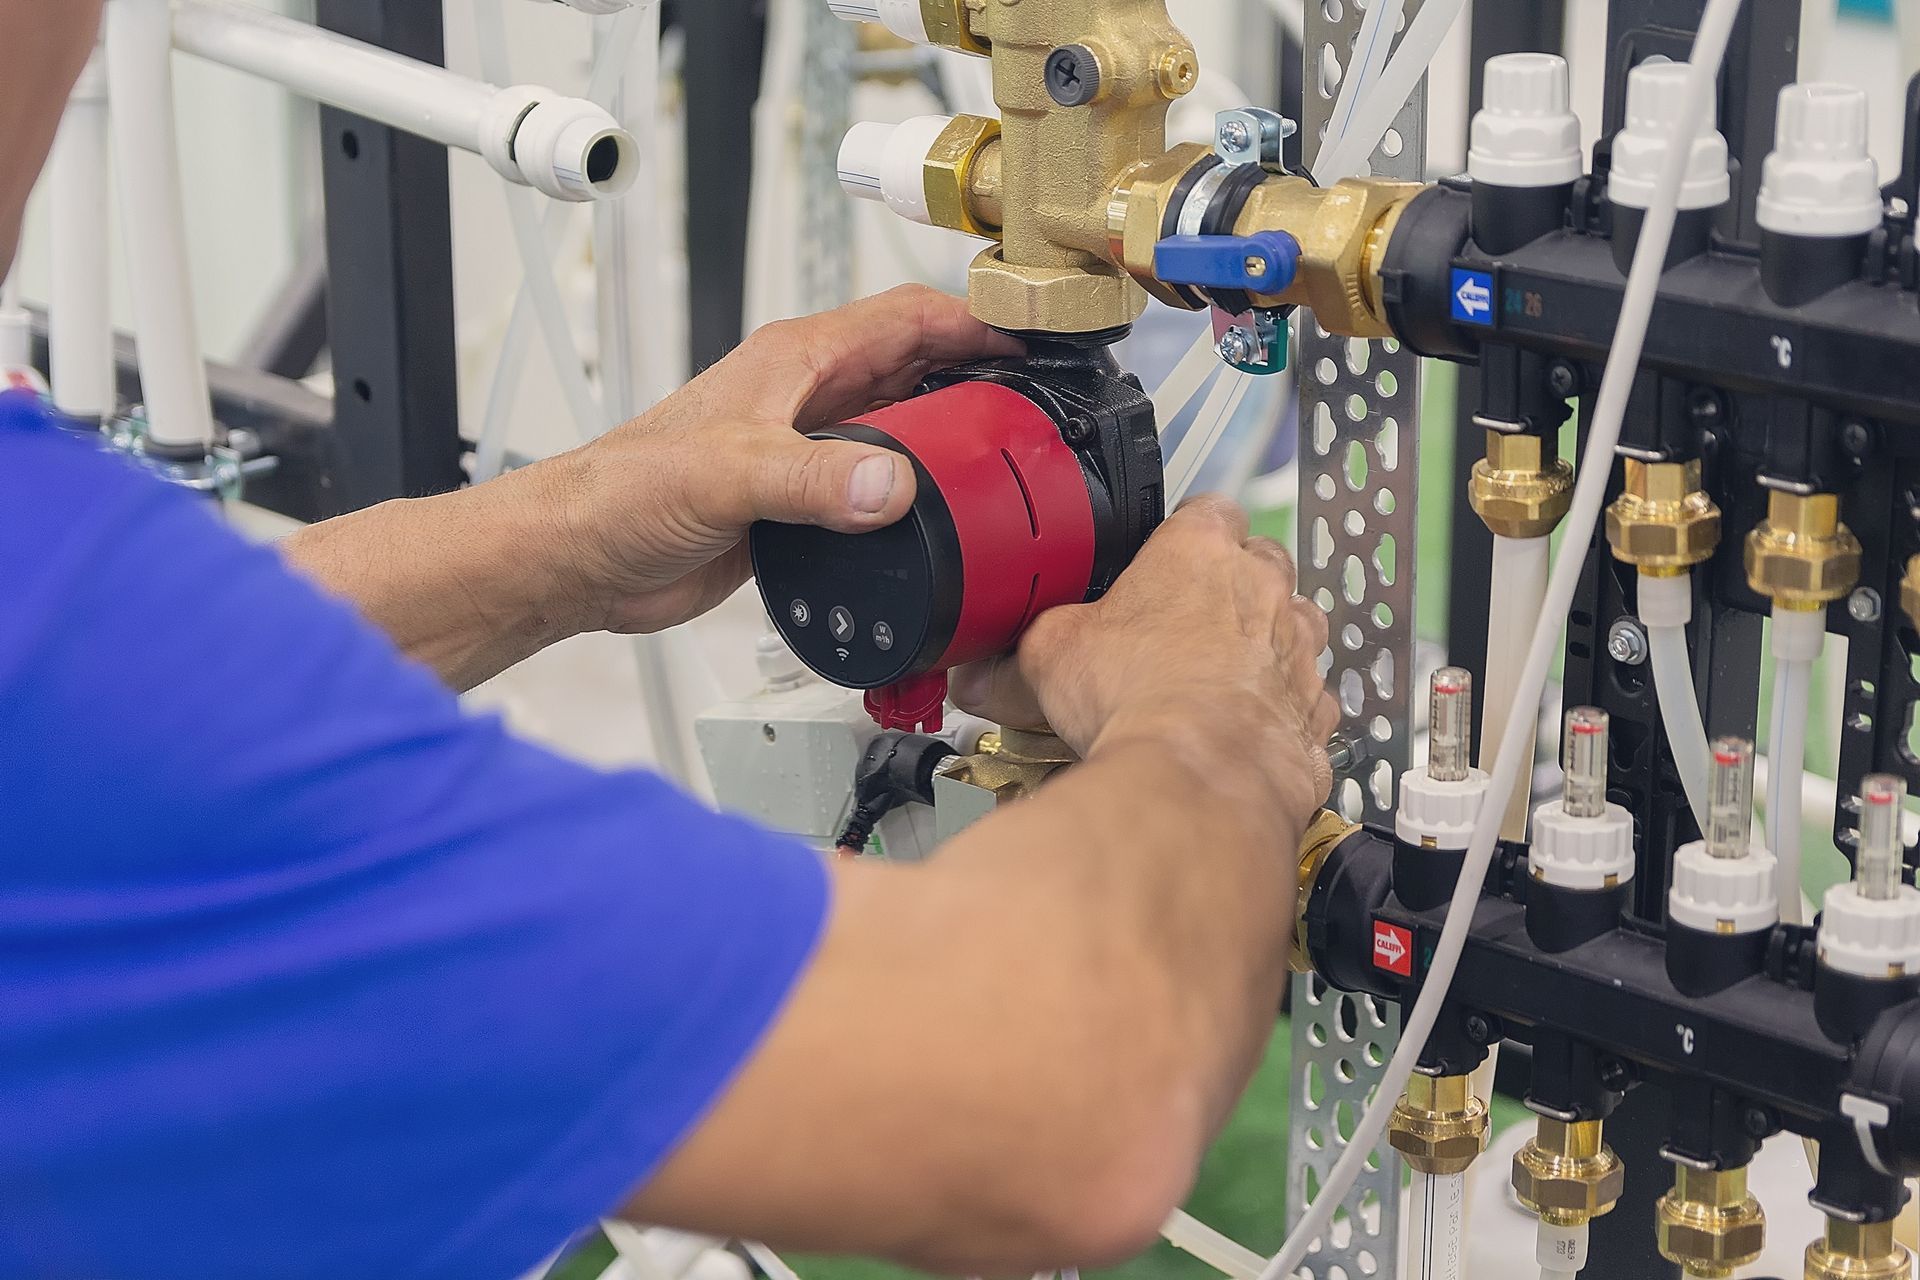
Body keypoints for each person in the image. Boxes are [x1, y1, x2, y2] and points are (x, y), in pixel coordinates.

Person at [0, 4, 1338, 1278]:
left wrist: (579, 525)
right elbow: (1053, 1094)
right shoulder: (69, 654)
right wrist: (1212, 723)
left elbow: (148, 717)